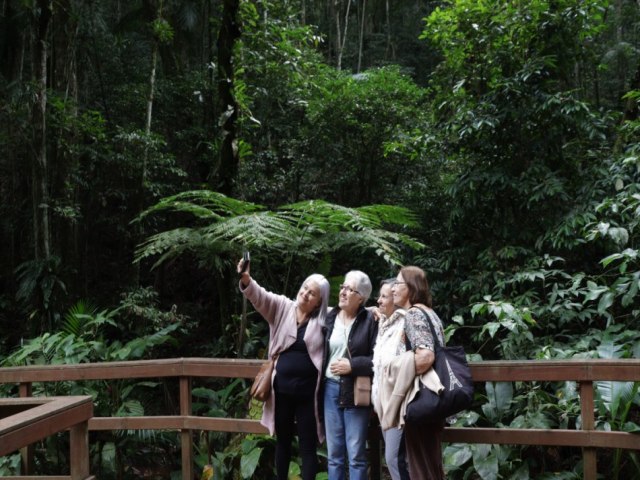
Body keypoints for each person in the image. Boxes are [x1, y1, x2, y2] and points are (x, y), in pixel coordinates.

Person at [238, 259, 330, 480]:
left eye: (312, 293)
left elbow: (351, 313)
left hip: (308, 395)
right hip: (282, 392)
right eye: (305, 288)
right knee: (283, 443)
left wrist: (373, 310)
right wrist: (246, 278)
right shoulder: (281, 307)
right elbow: (259, 296)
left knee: (308, 447)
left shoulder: (326, 320)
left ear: (319, 302)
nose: (305, 294)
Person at [322, 270, 378, 480]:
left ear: (361, 298)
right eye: (343, 287)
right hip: (329, 389)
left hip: (356, 391)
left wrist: (353, 365)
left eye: (350, 289)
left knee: (356, 455)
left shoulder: (371, 320)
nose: (343, 292)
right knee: (334, 454)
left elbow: (379, 359)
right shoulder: (329, 316)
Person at [392, 265, 446, 480]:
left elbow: (425, 357)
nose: (393, 288)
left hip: (420, 399)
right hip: (434, 399)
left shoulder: (414, 314)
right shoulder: (430, 313)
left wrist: (395, 369)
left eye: (398, 283)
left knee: (419, 466)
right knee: (430, 463)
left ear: (411, 287)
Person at [371, 279, 410, 480]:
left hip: (398, 403)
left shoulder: (405, 323)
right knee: (394, 458)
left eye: (384, 296)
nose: (379, 300)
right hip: (383, 405)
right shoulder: (384, 323)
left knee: (394, 458)